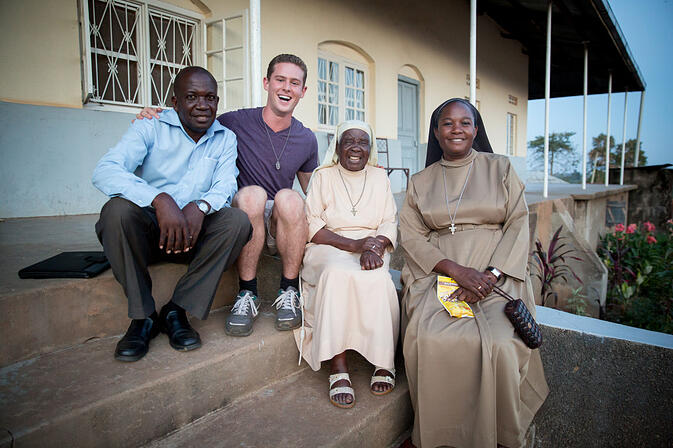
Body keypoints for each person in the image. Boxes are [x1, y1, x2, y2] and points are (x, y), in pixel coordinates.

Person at [399, 99, 549, 447]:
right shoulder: (420, 181)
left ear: (476, 130)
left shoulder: (500, 168)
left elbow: (517, 223)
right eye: (447, 124)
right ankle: (443, 434)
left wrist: (490, 275)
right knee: (430, 338)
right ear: (436, 133)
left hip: (497, 275)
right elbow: (411, 234)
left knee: (500, 344)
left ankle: (499, 435)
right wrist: (456, 272)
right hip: (439, 275)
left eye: (464, 123)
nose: (456, 130)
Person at [137, 54, 319, 337]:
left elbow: (316, 189)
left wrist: (360, 174)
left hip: (279, 227)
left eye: (294, 83)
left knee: (291, 198)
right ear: (266, 83)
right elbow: (194, 116)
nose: (286, 88)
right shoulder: (235, 121)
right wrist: (159, 115)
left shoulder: (307, 138)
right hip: (243, 220)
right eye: (280, 80)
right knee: (252, 195)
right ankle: (247, 294)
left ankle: (289, 290)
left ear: (303, 91)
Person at [93, 66, 252, 362]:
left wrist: (201, 207)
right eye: (191, 97)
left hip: (193, 235)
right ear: (175, 102)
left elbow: (226, 185)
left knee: (237, 221)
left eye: (210, 98)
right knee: (115, 211)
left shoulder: (225, 138)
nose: (202, 105)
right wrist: (158, 199)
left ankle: (176, 310)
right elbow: (105, 171)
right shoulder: (150, 126)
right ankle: (143, 317)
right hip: (151, 232)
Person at [296, 120, 399, 409]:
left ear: (370, 148)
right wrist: (355, 246)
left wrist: (375, 246)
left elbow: (389, 221)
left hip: (373, 244)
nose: (356, 147)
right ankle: (338, 365)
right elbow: (312, 225)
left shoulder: (381, 178)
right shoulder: (323, 176)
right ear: (338, 147)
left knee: (379, 279)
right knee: (337, 274)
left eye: (362, 142)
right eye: (349, 141)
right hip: (328, 245)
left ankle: (383, 360)